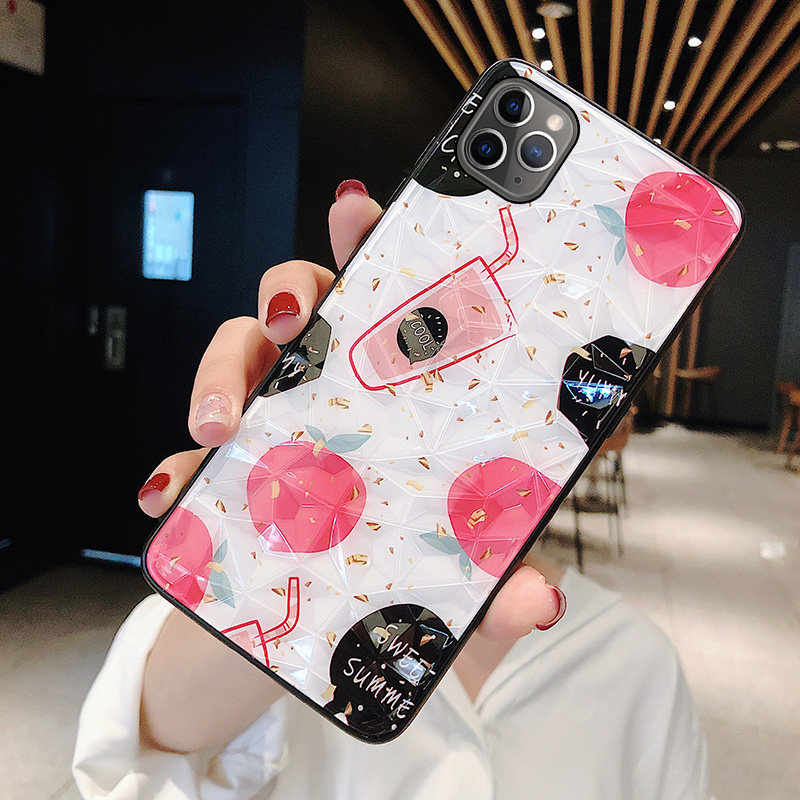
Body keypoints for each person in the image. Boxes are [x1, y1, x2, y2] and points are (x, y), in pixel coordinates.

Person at [72, 181, 709, 800]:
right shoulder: (296, 591)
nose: (485, 397)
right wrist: (282, 533)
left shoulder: (637, 668)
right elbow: (149, 743)